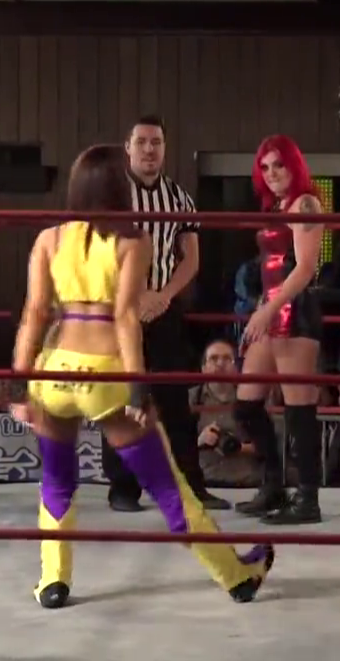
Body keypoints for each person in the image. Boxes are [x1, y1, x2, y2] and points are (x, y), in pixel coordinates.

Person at [10, 145, 274, 610]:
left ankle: (53, 580)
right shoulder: (132, 242)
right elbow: (126, 318)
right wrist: (137, 387)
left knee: (56, 480)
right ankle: (236, 576)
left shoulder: (49, 239)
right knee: (169, 488)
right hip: (105, 372)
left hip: (53, 372)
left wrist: (18, 383)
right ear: (120, 189)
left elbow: (33, 312)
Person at [99, 115, 230, 513]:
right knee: (122, 398)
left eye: (156, 142)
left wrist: (164, 295)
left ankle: (191, 487)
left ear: (164, 148)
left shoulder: (178, 198)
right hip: (120, 308)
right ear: (128, 147)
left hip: (164, 307)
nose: (149, 149)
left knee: (174, 399)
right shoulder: (110, 195)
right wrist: (134, 294)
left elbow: (191, 257)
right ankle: (122, 489)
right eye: (141, 142)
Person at [230, 134, 326, 525]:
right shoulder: (275, 206)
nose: (271, 173)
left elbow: (305, 268)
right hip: (270, 310)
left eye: (278, 165)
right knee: (246, 403)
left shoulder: (306, 204)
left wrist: (269, 308)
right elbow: (271, 266)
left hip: (295, 311)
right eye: (265, 167)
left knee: (299, 407)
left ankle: (308, 498)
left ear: (294, 165)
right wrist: (261, 307)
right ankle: (273, 485)